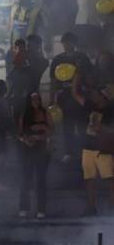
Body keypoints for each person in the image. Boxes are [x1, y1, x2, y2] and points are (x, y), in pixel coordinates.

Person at [72, 76, 114, 216]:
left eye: (97, 94)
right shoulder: (90, 105)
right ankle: (91, 207)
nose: (94, 96)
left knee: (109, 177)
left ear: (103, 96)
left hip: (103, 148)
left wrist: (102, 128)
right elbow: (76, 94)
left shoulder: (110, 109)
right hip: (88, 146)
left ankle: (112, 206)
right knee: (89, 178)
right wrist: (76, 77)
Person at [50, 32, 93, 162]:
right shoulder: (57, 59)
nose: (67, 45)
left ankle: (84, 151)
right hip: (64, 96)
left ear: (74, 43)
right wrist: (53, 99)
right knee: (67, 125)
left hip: (80, 95)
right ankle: (69, 151)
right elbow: (54, 81)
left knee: (82, 124)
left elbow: (90, 76)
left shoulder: (82, 57)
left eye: (69, 42)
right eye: (65, 42)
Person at [16, 92, 51, 219]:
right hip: (27, 149)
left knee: (40, 180)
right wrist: (25, 140)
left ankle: (41, 209)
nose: (36, 101)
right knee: (26, 179)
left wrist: (42, 129)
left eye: (37, 99)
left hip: (42, 149)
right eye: (33, 99)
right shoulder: (24, 114)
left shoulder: (45, 113)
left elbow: (52, 131)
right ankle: (24, 208)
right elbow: (19, 134)